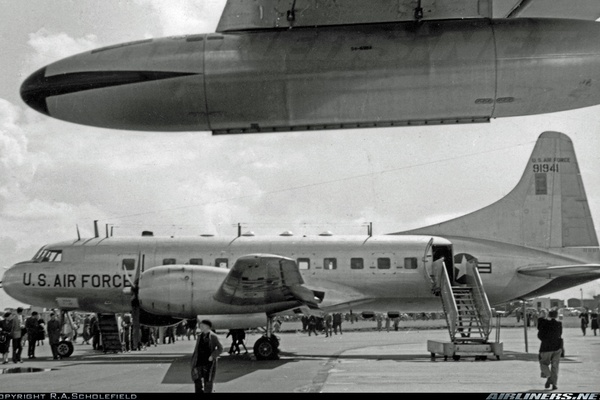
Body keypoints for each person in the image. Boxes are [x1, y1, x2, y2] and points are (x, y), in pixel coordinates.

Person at [190, 319, 223, 393]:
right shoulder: (199, 336)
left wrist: (213, 356)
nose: (200, 327)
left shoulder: (214, 336)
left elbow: (220, 348)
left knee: (208, 381)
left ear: (207, 326)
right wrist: (193, 360)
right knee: (197, 381)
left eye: (201, 326)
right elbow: (197, 349)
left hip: (208, 363)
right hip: (199, 362)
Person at [537, 309, 562, 390]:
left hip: (546, 347)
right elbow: (559, 334)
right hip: (557, 347)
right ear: (556, 316)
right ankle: (554, 384)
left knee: (543, 364)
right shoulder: (559, 323)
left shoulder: (544, 323)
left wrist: (542, 317)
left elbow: (539, 334)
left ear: (548, 315)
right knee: (555, 366)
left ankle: (549, 376)